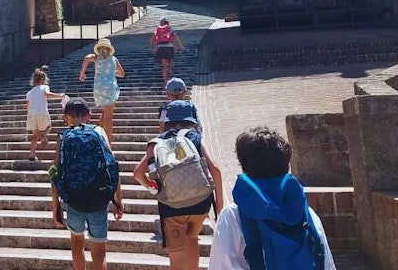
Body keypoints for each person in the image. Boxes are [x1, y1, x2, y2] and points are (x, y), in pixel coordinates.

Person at [207, 126, 337, 270]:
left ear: (244, 167)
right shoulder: (305, 214)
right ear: (286, 166)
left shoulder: (233, 215)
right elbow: (326, 263)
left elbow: (219, 266)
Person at [134, 100, 223, 270]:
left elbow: (138, 173)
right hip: (200, 202)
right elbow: (216, 170)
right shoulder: (195, 138)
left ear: (167, 120)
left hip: (171, 205)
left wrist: (154, 188)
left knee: (176, 254)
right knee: (192, 238)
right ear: (191, 120)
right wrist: (219, 207)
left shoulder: (156, 142)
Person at [51, 97, 123, 270]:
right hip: (99, 198)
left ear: (65, 118)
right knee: (99, 252)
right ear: (89, 116)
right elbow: (112, 165)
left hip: (74, 199)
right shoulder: (99, 131)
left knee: (77, 243)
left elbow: (55, 172)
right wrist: (118, 200)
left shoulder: (63, 136)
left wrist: (55, 207)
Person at [79, 38, 125, 145]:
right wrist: (112, 73)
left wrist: (82, 73)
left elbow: (86, 58)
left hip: (99, 88)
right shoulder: (113, 59)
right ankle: (108, 143)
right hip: (110, 88)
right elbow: (122, 74)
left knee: (104, 112)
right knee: (109, 116)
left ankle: (99, 135)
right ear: (109, 49)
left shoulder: (96, 58)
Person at [26, 65, 67, 161]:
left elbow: (27, 105)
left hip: (31, 114)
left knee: (34, 135)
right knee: (49, 127)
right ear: (43, 79)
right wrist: (59, 96)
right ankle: (43, 135)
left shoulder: (29, 92)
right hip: (42, 112)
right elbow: (47, 95)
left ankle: (32, 154)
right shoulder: (44, 87)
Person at [151, 17, 185, 86]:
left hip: (161, 48)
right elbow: (175, 38)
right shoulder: (170, 29)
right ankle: (170, 70)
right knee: (171, 60)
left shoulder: (158, 30)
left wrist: (153, 48)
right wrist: (180, 46)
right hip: (169, 47)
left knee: (164, 66)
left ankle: (165, 80)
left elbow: (152, 40)